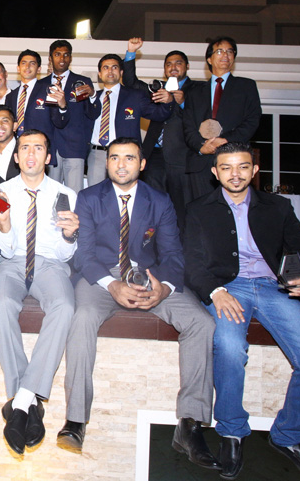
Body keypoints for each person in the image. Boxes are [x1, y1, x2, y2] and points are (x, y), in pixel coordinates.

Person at [58, 138, 218, 472]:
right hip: (101, 279)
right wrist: (112, 284)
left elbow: (173, 254)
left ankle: (190, 423)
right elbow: (84, 255)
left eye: (129, 158)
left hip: (148, 278)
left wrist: (163, 289)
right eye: (115, 157)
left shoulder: (159, 201)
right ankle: (75, 420)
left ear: (142, 165)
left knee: (201, 322)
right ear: (107, 163)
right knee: (82, 317)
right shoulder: (89, 197)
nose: (121, 164)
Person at [185, 142, 300, 481]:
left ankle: (289, 435)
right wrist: (215, 292)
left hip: (272, 288)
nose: (235, 174)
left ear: (254, 170)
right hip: (228, 287)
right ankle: (232, 431)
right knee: (229, 347)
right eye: (226, 167)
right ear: (215, 172)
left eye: (242, 166)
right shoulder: (198, 209)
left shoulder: (277, 206)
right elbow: (191, 262)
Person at [0, 129, 78, 455]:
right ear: (16, 156)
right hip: (13, 261)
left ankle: (20, 400)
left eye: (38, 148)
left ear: (48, 157)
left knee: (65, 306)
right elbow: (6, 250)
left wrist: (70, 236)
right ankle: (30, 404)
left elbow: (64, 254)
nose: (31, 154)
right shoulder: (4, 192)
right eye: (25, 148)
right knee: (0, 304)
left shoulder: (66, 194)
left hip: (49, 263)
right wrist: (4, 222)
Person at [120, 38, 201, 229]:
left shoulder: (198, 89)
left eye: (178, 63)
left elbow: (201, 118)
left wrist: (181, 102)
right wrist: (131, 52)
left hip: (182, 157)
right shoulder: (157, 88)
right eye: (169, 64)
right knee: (153, 205)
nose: (173, 67)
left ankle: (180, 244)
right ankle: (152, 243)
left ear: (187, 66)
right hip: (154, 155)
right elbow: (131, 83)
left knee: (181, 207)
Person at [182, 37, 261, 200]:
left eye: (229, 51)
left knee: (234, 208)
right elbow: (188, 124)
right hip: (201, 162)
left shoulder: (246, 86)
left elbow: (252, 120)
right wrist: (201, 146)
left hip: (234, 160)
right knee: (202, 210)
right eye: (219, 51)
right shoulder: (194, 91)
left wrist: (225, 141)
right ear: (209, 59)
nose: (225, 55)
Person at [84, 50, 172, 187]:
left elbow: (159, 114)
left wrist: (168, 102)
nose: (110, 71)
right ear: (100, 74)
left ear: (121, 72)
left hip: (125, 154)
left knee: (125, 192)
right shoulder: (92, 97)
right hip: (97, 154)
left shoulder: (135, 96)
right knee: (96, 195)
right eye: (106, 68)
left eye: (114, 67)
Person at [44, 40, 94, 193]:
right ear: (50, 58)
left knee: (74, 194)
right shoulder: (41, 84)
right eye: (57, 54)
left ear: (71, 58)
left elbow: (91, 114)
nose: (62, 58)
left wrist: (92, 96)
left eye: (66, 55)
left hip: (74, 147)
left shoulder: (82, 83)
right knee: (50, 194)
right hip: (50, 149)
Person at [5, 49, 66, 164]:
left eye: (32, 63)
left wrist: (62, 107)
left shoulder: (49, 91)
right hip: (18, 151)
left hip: (40, 151)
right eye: (24, 63)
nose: (27, 66)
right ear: (18, 68)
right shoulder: (10, 96)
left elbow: (59, 122)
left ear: (39, 69)